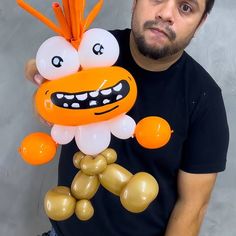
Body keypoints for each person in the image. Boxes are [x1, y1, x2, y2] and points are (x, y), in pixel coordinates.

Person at [25, 0, 229, 235]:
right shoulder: (91, 50)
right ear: (135, 2)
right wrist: (38, 80)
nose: (165, 14)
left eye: (185, 7)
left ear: (200, 22)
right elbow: (40, 69)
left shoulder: (204, 98)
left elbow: (193, 206)